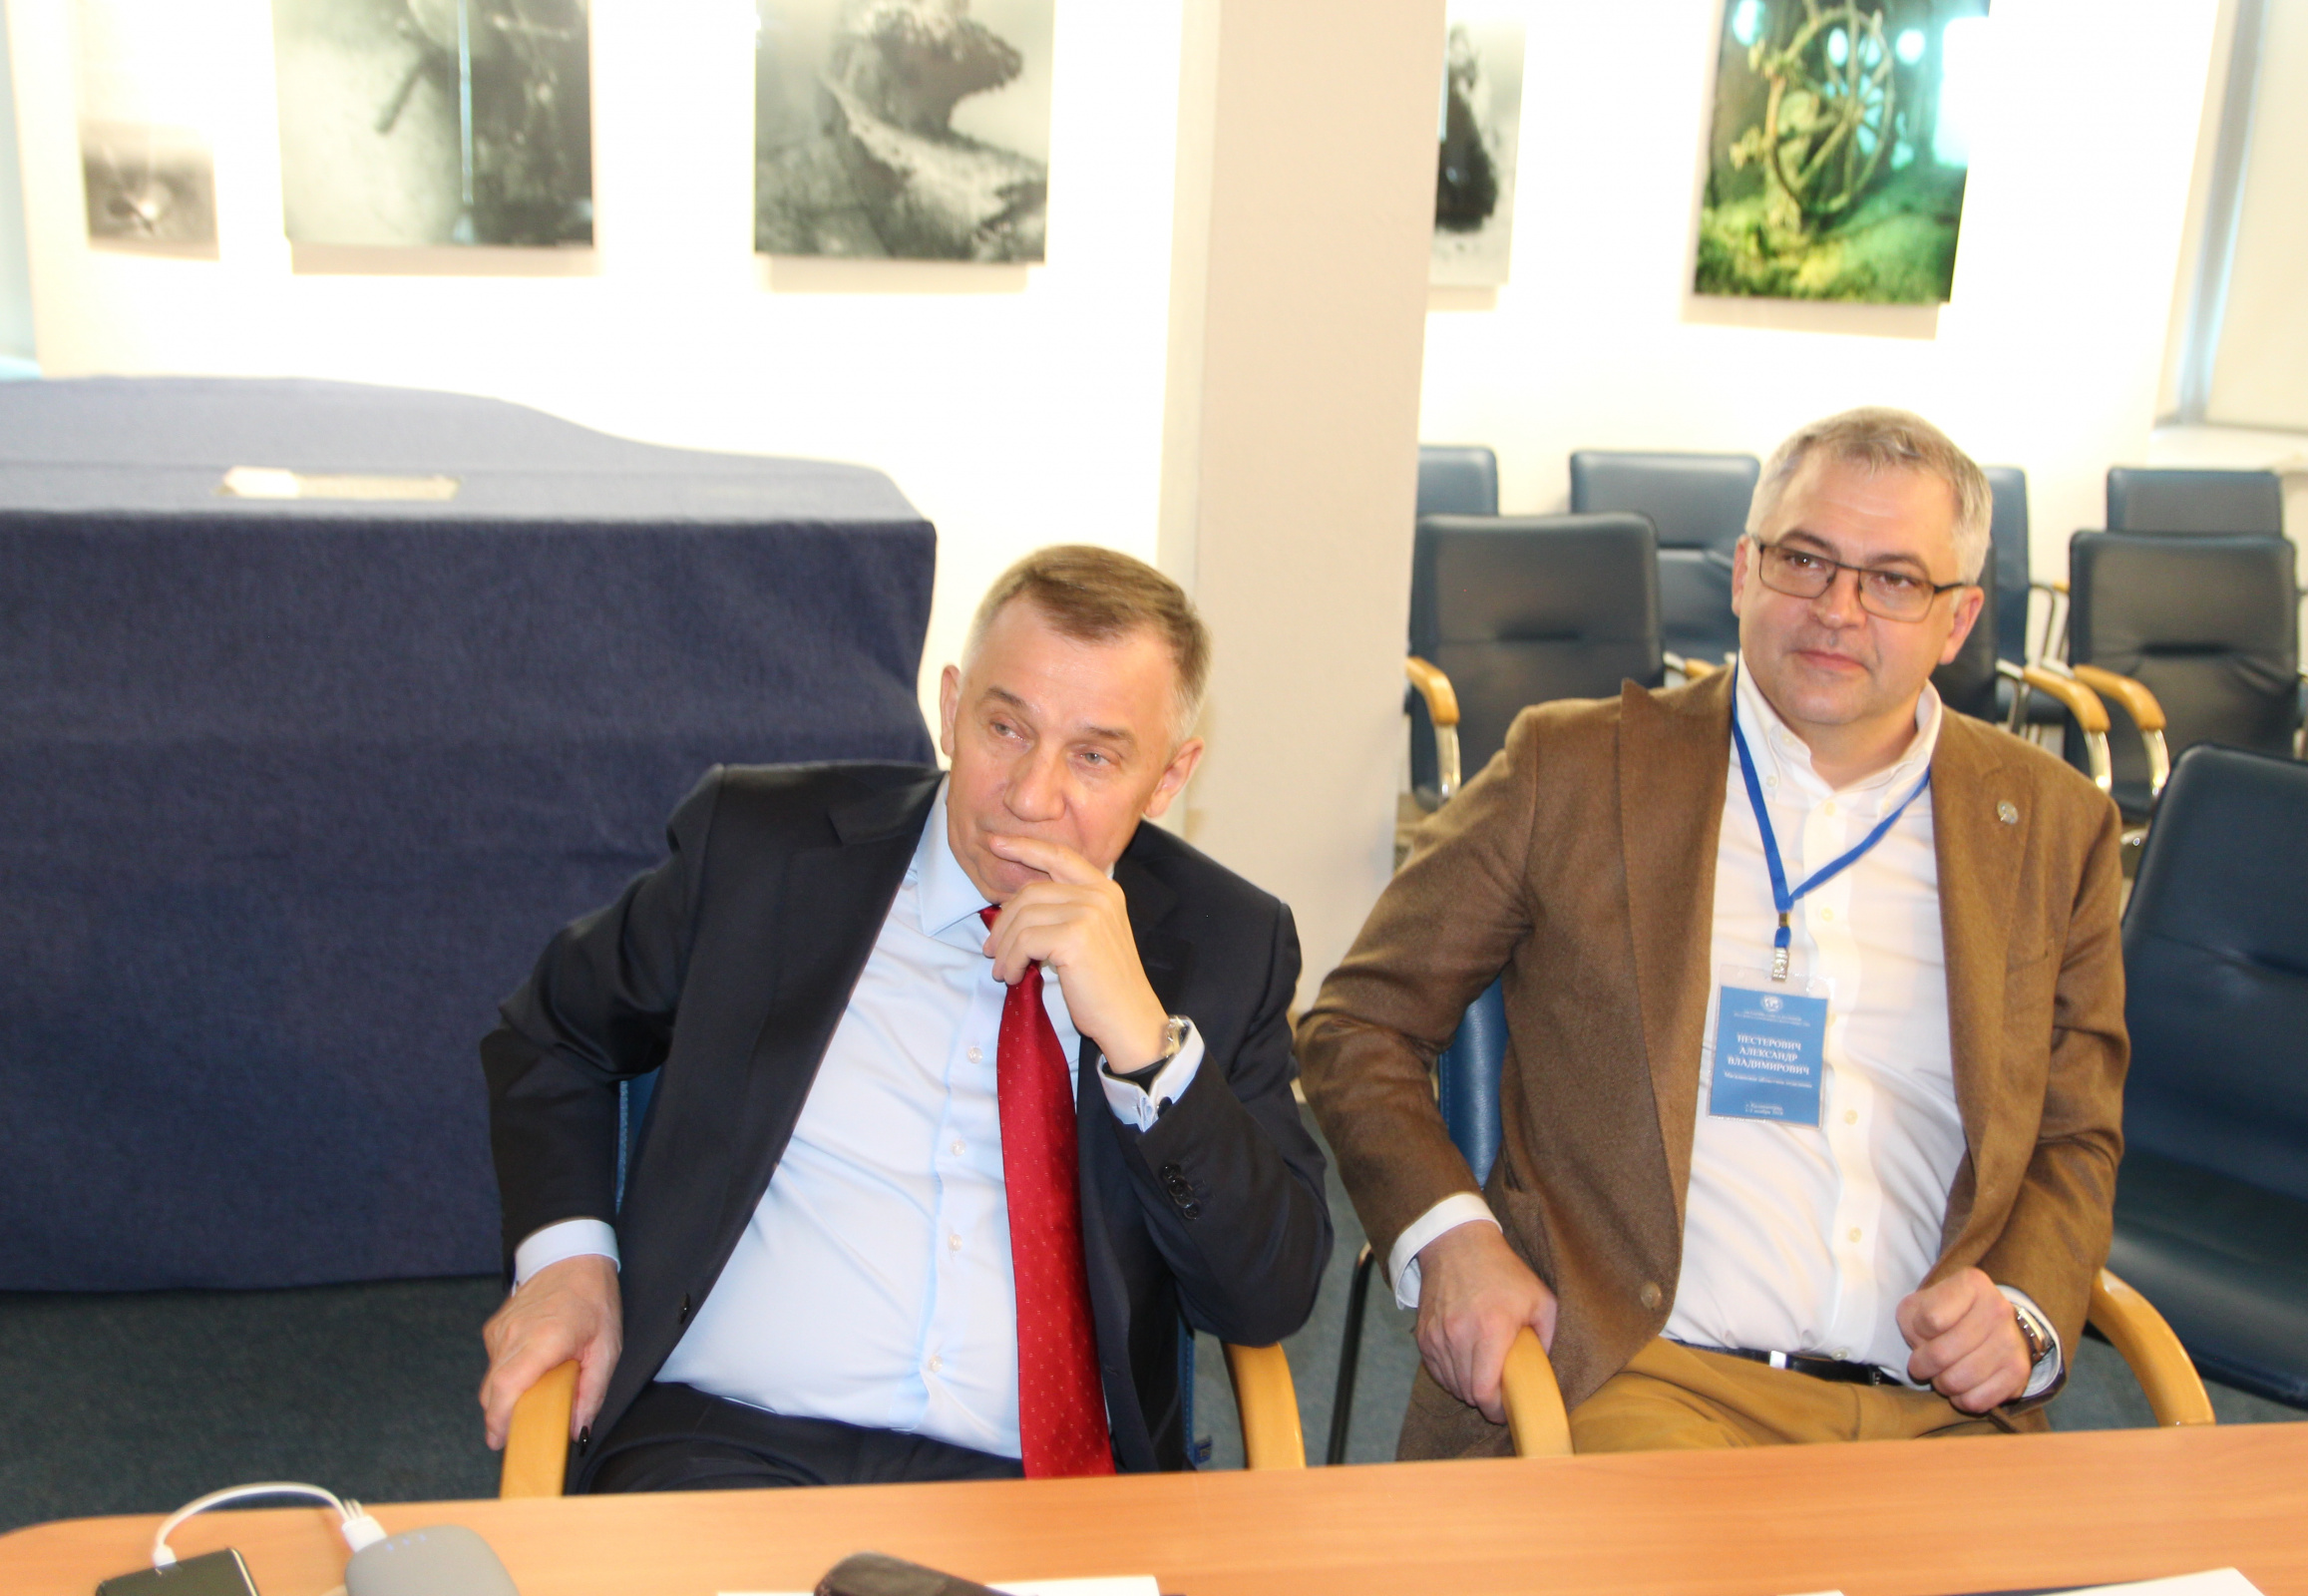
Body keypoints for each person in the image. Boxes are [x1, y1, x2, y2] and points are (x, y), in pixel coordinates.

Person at [1300, 408, 2127, 1456]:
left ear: (1957, 621)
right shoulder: (1576, 771)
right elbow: (1358, 1025)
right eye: (1804, 559)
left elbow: (2073, 1132)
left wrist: (2025, 1312)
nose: (1836, 610)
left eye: (1893, 580)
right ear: (1744, 572)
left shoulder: (2053, 825)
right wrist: (1452, 1238)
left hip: (1942, 1410)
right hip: (1647, 1380)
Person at [479, 546, 1332, 1490]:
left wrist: (1144, 1047)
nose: (1032, 796)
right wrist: (566, 1262)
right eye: (1006, 728)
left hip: (1039, 1490)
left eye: (1093, 756)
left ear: (1169, 778)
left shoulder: (1228, 944)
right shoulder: (765, 849)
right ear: (951, 707)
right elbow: (551, 1033)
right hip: (728, 1449)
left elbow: (1266, 1296)